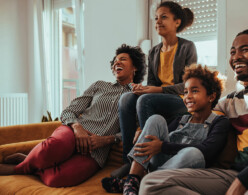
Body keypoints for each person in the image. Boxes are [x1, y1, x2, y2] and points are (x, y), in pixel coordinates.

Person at [139, 28, 248, 195]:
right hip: (236, 173)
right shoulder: (230, 100)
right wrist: (146, 129)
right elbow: (193, 115)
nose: (236, 56)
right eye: (233, 52)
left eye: (245, 49)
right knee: (151, 183)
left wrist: (245, 178)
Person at [0, 44, 146, 187]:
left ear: (135, 67)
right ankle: (18, 169)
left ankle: (28, 161)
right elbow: (68, 111)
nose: (116, 63)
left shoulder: (139, 97)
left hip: (96, 151)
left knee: (56, 179)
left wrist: (106, 140)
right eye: (114, 61)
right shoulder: (99, 86)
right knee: (54, 146)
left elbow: (134, 131)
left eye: (123, 59)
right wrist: (77, 128)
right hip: (73, 132)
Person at [102, 64, 233, 195]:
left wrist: (163, 146)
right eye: (185, 92)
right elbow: (156, 137)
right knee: (155, 119)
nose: (187, 96)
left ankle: (145, 182)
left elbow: (207, 151)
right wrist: (143, 131)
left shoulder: (220, 122)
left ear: (211, 96)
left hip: (185, 172)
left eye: (194, 91)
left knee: (193, 153)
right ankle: (132, 181)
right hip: (161, 165)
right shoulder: (181, 119)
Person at [112, 1, 198, 179]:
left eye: (164, 17)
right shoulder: (153, 52)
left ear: (177, 22)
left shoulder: (187, 47)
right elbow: (152, 82)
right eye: (156, 18)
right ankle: (129, 162)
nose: (158, 21)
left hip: (182, 99)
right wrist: (141, 88)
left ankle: (146, 162)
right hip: (159, 98)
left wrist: (156, 90)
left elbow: (189, 85)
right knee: (127, 98)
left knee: (146, 99)